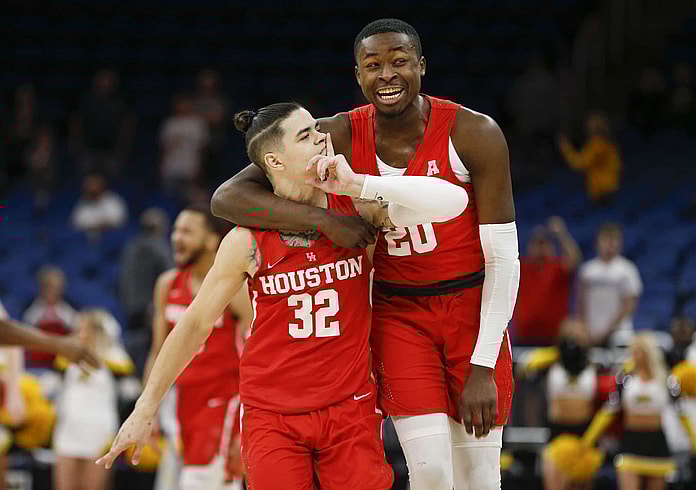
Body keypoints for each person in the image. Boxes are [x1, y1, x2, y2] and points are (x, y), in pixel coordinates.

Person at [210, 18, 518, 490]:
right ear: (358, 75)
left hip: (472, 307)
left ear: (421, 65)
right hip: (399, 312)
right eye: (373, 66)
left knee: (480, 476)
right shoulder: (336, 134)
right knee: (432, 471)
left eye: (399, 62)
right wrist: (324, 220)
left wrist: (483, 364)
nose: (387, 75)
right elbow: (228, 197)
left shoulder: (474, 132)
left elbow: (504, 260)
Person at [97, 102, 469, 490]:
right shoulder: (246, 240)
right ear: (275, 161)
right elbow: (194, 324)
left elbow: (454, 203)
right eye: (306, 135)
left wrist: (359, 184)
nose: (322, 138)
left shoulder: (357, 209)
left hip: (350, 405)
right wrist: (145, 408)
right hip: (272, 414)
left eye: (317, 129)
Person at [143, 204, 251, 490]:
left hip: (222, 402)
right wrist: (147, 410)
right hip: (179, 403)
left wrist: (248, 421)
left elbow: (259, 351)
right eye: (176, 230)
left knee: (201, 482)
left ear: (211, 240)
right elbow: (157, 352)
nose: (177, 237)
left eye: (187, 231)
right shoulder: (167, 284)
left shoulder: (235, 289)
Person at [582, 333, 696, 490]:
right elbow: (608, 412)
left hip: (656, 444)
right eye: (633, 351)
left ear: (649, 353)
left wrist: (694, 442)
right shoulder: (625, 380)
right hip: (632, 442)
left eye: (639, 351)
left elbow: (681, 413)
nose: (635, 356)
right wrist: (587, 441)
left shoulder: (666, 380)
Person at [52, 310, 120, 490]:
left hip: (98, 431)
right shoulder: (66, 360)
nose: (80, 334)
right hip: (69, 430)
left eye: (85, 330)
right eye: (78, 329)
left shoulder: (115, 361)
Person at [513, 217, 581, 345]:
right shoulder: (522, 267)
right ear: (530, 246)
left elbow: (575, 259)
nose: (540, 248)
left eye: (544, 244)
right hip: (525, 336)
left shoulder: (557, 267)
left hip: (553, 336)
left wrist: (562, 234)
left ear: (550, 247)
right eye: (537, 244)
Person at [577, 223, 642, 347]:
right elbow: (581, 301)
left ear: (620, 243)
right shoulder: (587, 270)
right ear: (597, 242)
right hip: (591, 333)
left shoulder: (627, 269)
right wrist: (583, 328)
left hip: (619, 333)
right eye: (606, 239)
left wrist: (608, 331)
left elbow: (629, 305)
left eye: (614, 239)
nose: (610, 243)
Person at [558, 111, 622, 206]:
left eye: (589, 124)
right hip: (609, 190)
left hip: (602, 192)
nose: (587, 127)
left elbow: (578, 163)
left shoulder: (597, 144)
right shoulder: (610, 145)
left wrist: (565, 146)